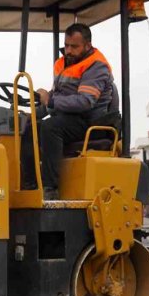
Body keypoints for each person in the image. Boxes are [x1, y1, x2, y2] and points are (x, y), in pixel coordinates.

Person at [20, 23, 119, 200]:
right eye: (66, 45)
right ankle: (30, 186)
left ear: (87, 45)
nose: (68, 51)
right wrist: (35, 113)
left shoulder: (96, 67)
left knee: (51, 127)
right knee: (30, 128)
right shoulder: (66, 63)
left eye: (74, 46)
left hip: (91, 122)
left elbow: (85, 102)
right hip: (68, 119)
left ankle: (50, 189)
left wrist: (50, 100)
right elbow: (57, 97)